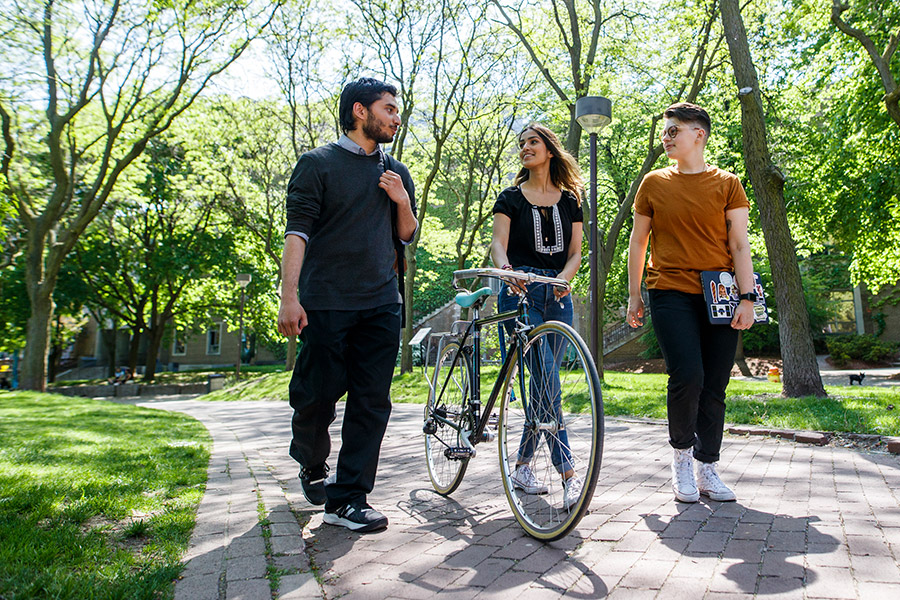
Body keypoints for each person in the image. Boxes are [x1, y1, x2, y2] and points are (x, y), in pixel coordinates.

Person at [277, 77, 417, 532]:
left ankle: (348, 498)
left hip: (381, 302)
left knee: (372, 401)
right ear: (360, 111)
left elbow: (407, 233)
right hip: (326, 302)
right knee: (317, 396)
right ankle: (312, 461)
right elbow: (297, 232)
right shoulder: (316, 164)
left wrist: (400, 199)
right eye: (389, 108)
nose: (397, 116)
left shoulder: (396, 171)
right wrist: (289, 296)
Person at [626, 102, 755, 503]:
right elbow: (638, 241)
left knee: (716, 382)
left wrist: (747, 297)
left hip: (720, 294)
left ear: (698, 134)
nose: (666, 138)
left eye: (673, 131)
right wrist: (634, 295)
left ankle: (708, 468)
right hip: (669, 290)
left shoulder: (728, 183)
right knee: (688, 375)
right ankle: (681, 459)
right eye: (665, 131)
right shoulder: (653, 183)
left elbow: (738, 244)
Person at [490, 123, 585, 509]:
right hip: (519, 292)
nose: (525, 148)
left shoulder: (572, 200)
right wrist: (507, 270)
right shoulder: (510, 197)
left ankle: (522, 466)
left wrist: (563, 279)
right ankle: (569, 475)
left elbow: (576, 253)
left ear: (550, 150)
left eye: (533, 142)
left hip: (558, 295)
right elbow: (498, 244)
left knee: (544, 386)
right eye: (522, 143)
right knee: (547, 379)